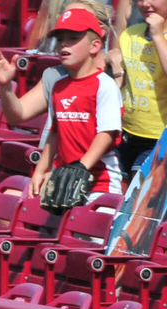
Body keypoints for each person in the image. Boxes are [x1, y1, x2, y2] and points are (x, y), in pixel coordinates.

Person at [31, 5, 124, 200]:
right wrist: (41, 169)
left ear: (95, 46)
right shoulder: (58, 85)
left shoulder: (104, 85)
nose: (64, 44)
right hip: (65, 180)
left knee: (92, 230)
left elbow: (106, 134)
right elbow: (54, 134)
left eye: (73, 38)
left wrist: (81, 167)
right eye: (60, 39)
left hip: (100, 183)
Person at [116, 0, 167, 175]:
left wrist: (159, 37)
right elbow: (124, 79)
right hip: (125, 131)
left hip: (158, 138)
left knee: (139, 192)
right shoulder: (129, 34)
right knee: (120, 192)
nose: (145, 4)